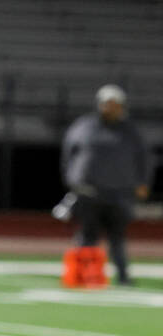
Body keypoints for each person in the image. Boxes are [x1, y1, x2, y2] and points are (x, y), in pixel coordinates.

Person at [60, 84, 152, 286]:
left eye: (114, 104)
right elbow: (69, 155)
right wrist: (72, 178)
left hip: (120, 192)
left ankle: (123, 275)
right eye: (106, 103)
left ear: (121, 106)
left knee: (117, 237)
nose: (109, 108)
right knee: (87, 235)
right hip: (89, 191)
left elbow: (143, 159)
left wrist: (143, 182)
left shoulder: (131, 132)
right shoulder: (84, 126)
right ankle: (83, 275)